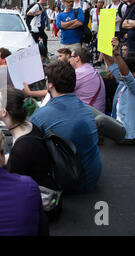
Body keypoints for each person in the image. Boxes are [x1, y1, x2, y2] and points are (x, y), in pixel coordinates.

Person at [30, 61, 102, 193]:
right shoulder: (87, 110)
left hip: (68, 182)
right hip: (92, 176)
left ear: (50, 84)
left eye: (47, 79)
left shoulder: (40, 116)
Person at [0, 87, 57, 190]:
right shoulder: (30, 126)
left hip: (36, 193)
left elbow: (13, 186)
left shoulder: (21, 148)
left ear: (4, 112)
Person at [94, 37, 135, 145]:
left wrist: (117, 54)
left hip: (127, 134)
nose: (119, 72)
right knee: (87, 109)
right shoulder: (123, 83)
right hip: (117, 124)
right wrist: (103, 45)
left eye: (122, 70)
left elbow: (126, 74)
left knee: (101, 120)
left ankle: (92, 138)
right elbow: (112, 64)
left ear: (133, 74)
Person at [69, 47, 106, 113]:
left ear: (77, 58)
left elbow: (59, 91)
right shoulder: (91, 69)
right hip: (97, 113)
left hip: (89, 117)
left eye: (71, 57)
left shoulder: (80, 73)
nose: (69, 59)